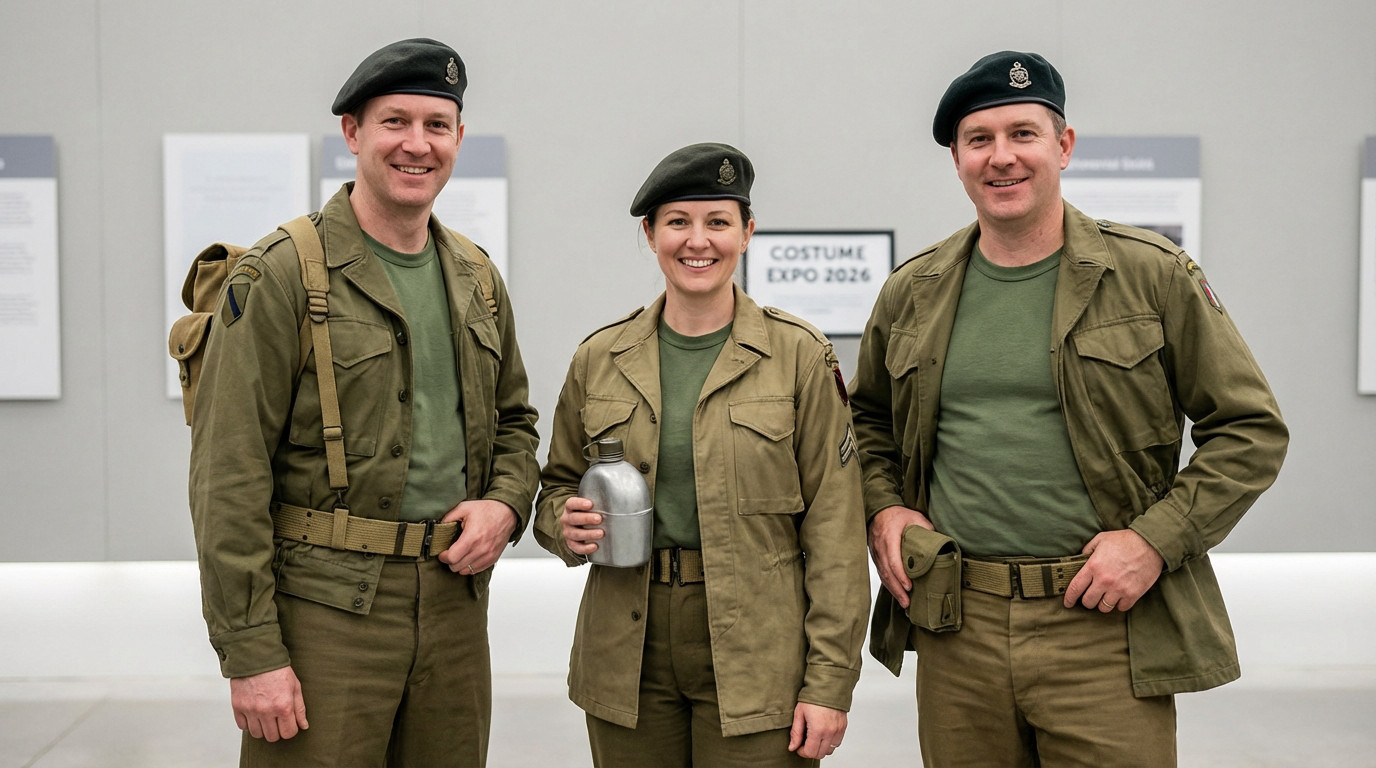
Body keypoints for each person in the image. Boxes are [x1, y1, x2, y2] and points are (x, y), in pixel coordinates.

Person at [850, 51, 1288, 766]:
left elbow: (1249, 430)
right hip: (958, 627)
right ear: (957, 159)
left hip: (1103, 628)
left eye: (1022, 134)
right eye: (979, 140)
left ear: (1064, 145)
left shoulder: (1149, 275)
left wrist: (1152, 542)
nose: (1002, 158)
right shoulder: (915, 292)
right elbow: (867, 420)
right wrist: (883, 507)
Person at [187, 38, 539, 766]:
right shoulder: (282, 274)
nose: (418, 144)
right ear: (352, 133)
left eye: (437, 126)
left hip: (453, 608)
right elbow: (229, 472)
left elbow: (515, 424)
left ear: (459, 138)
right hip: (327, 612)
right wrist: (251, 652)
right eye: (395, 122)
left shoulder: (476, 276)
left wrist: (506, 505)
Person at [534, 143, 870, 766]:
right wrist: (564, 523)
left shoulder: (800, 356)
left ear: (747, 232)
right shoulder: (600, 358)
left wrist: (829, 682)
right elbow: (556, 485)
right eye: (678, 222)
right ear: (650, 233)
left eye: (718, 222)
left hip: (759, 651)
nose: (699, 241)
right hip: (627, 650)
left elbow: (836, 529)